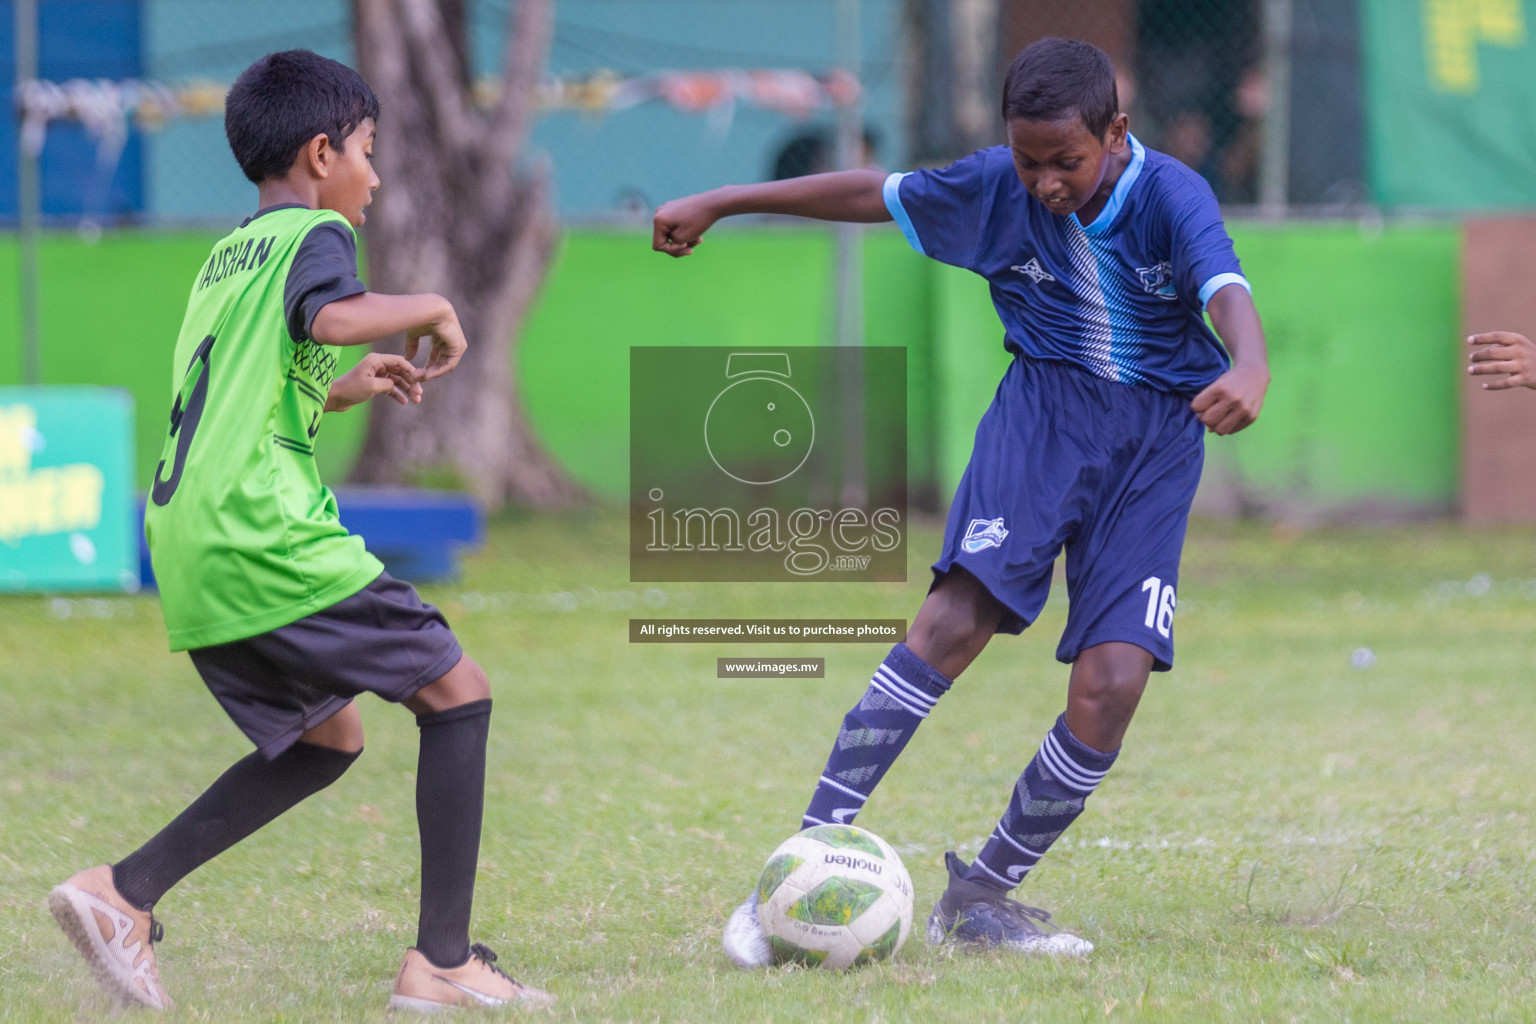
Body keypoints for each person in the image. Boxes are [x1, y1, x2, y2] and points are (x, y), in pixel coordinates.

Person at [652, 37, 1270, 965]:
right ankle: (795, 868)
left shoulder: (1170, 195)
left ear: (1116, 133)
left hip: (1155, 446)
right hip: (1044, 418)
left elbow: (1224, 283)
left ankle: (983, 896)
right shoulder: (997, 188)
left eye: (1067, 161)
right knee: (952, 620)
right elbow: (874, 193)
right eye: (1030, 162)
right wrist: (725, 200)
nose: (1047, 183)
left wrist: (1252, 363)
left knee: (1114, 684)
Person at [46, 50, 553, 1012]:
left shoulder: (228, 254)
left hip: (189, 540)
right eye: (368, 151)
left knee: (329, 739)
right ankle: (442, 964)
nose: (376, 175)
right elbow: (329, 317)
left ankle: (121, 893)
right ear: (322, 153)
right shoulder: (315, 232)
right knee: (459, 692)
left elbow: (253, 383)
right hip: (261, 533)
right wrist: (436, 308)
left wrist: (341, 389)